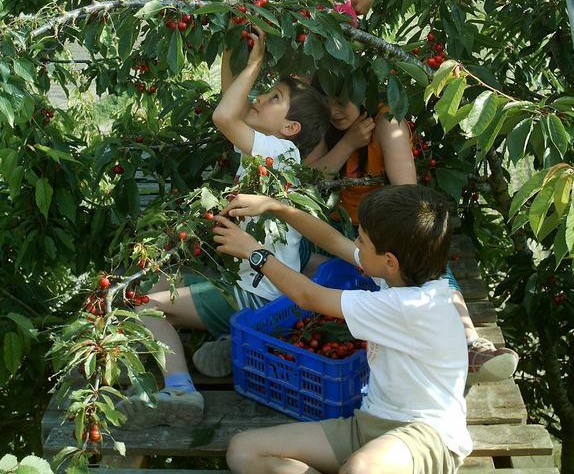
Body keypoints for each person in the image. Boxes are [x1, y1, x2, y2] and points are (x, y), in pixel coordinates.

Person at [119, 27, 330, 428]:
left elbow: (222, 115)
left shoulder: (280, 151)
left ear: (290, 129)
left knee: (140, 303)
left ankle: (180, 389)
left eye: (274, 99)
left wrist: (255, 62)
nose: (260, 97)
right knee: (166, 287)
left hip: (255, 295)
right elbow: (230, 101)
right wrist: (234, 50)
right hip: (258, 285)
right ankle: (228, 342)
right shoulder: (266, 146)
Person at [214, 185, 473, 474]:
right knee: (244, 451)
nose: (355, 244)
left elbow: (308, 297)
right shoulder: (400, 277)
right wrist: (276, 206)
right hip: (367, 425)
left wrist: (255, 253)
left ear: (390, 261)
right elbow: (334, 241)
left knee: (359, 470)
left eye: (361, 241)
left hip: (426, 437)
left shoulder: (411, 306)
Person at [306, 93, 519, 386]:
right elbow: (307, 179)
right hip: (340, 227)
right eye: (327, 99)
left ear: (359, 87)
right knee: (316, 263)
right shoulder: (325, 125)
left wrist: (379, 237)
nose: (334, 109)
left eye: (342, 99)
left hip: (383, 228)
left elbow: (408, 201)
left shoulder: (385, 122)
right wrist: (348, 144)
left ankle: (470, 342)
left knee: (424, 264)